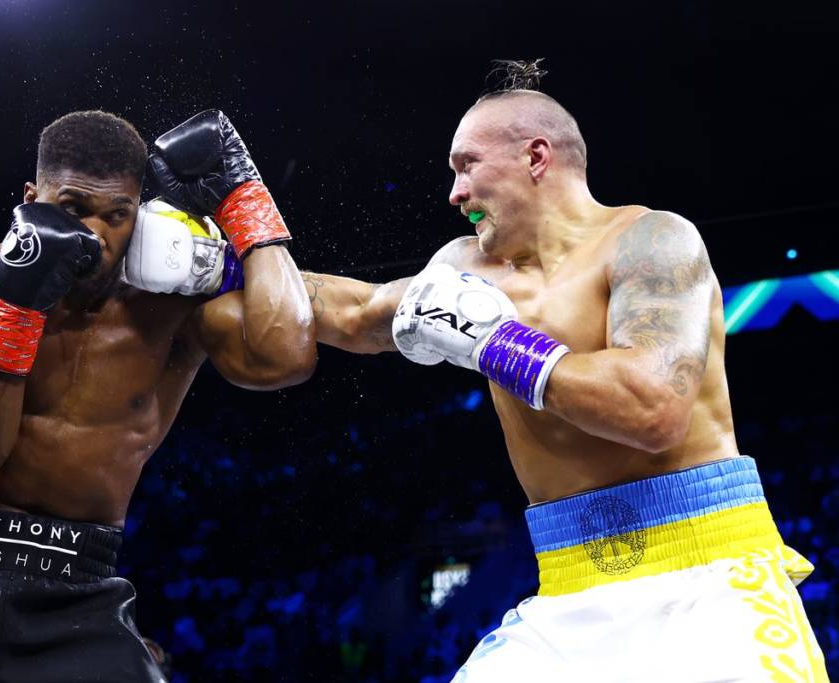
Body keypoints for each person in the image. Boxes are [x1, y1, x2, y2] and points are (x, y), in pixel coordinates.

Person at [301, 61, 827, 681]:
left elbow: (653, 408)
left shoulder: (652, 240)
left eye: (467, 166)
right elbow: (356, 311)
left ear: (536, 157)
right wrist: (232, 252)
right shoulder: (464, 270)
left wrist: (494, 342)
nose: (455, 194)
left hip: (711, 576)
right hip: (568, 591)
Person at [0, 109, 315, 682]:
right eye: (74, 209)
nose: (98, 236)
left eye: (117, 215)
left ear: (139, 212)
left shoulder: (169, 302)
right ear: (31, 199)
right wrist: (19, 306)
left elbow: (285, 359)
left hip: (79, 590)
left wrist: (243, 199)